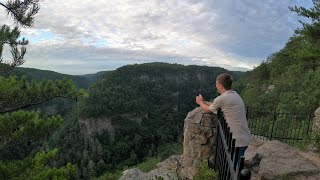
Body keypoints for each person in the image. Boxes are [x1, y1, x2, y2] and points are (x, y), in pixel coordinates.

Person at [195, 73, 251, 171]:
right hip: (243, 136)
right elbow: (215, 104)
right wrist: (204, 101)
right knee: (237, 164)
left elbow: (208, 110)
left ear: (220, 85)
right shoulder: (234, 95)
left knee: (233, 170)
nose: (215, 86)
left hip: (237, 140)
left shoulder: (222, 98)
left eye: (216, 84)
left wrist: (199, 102)